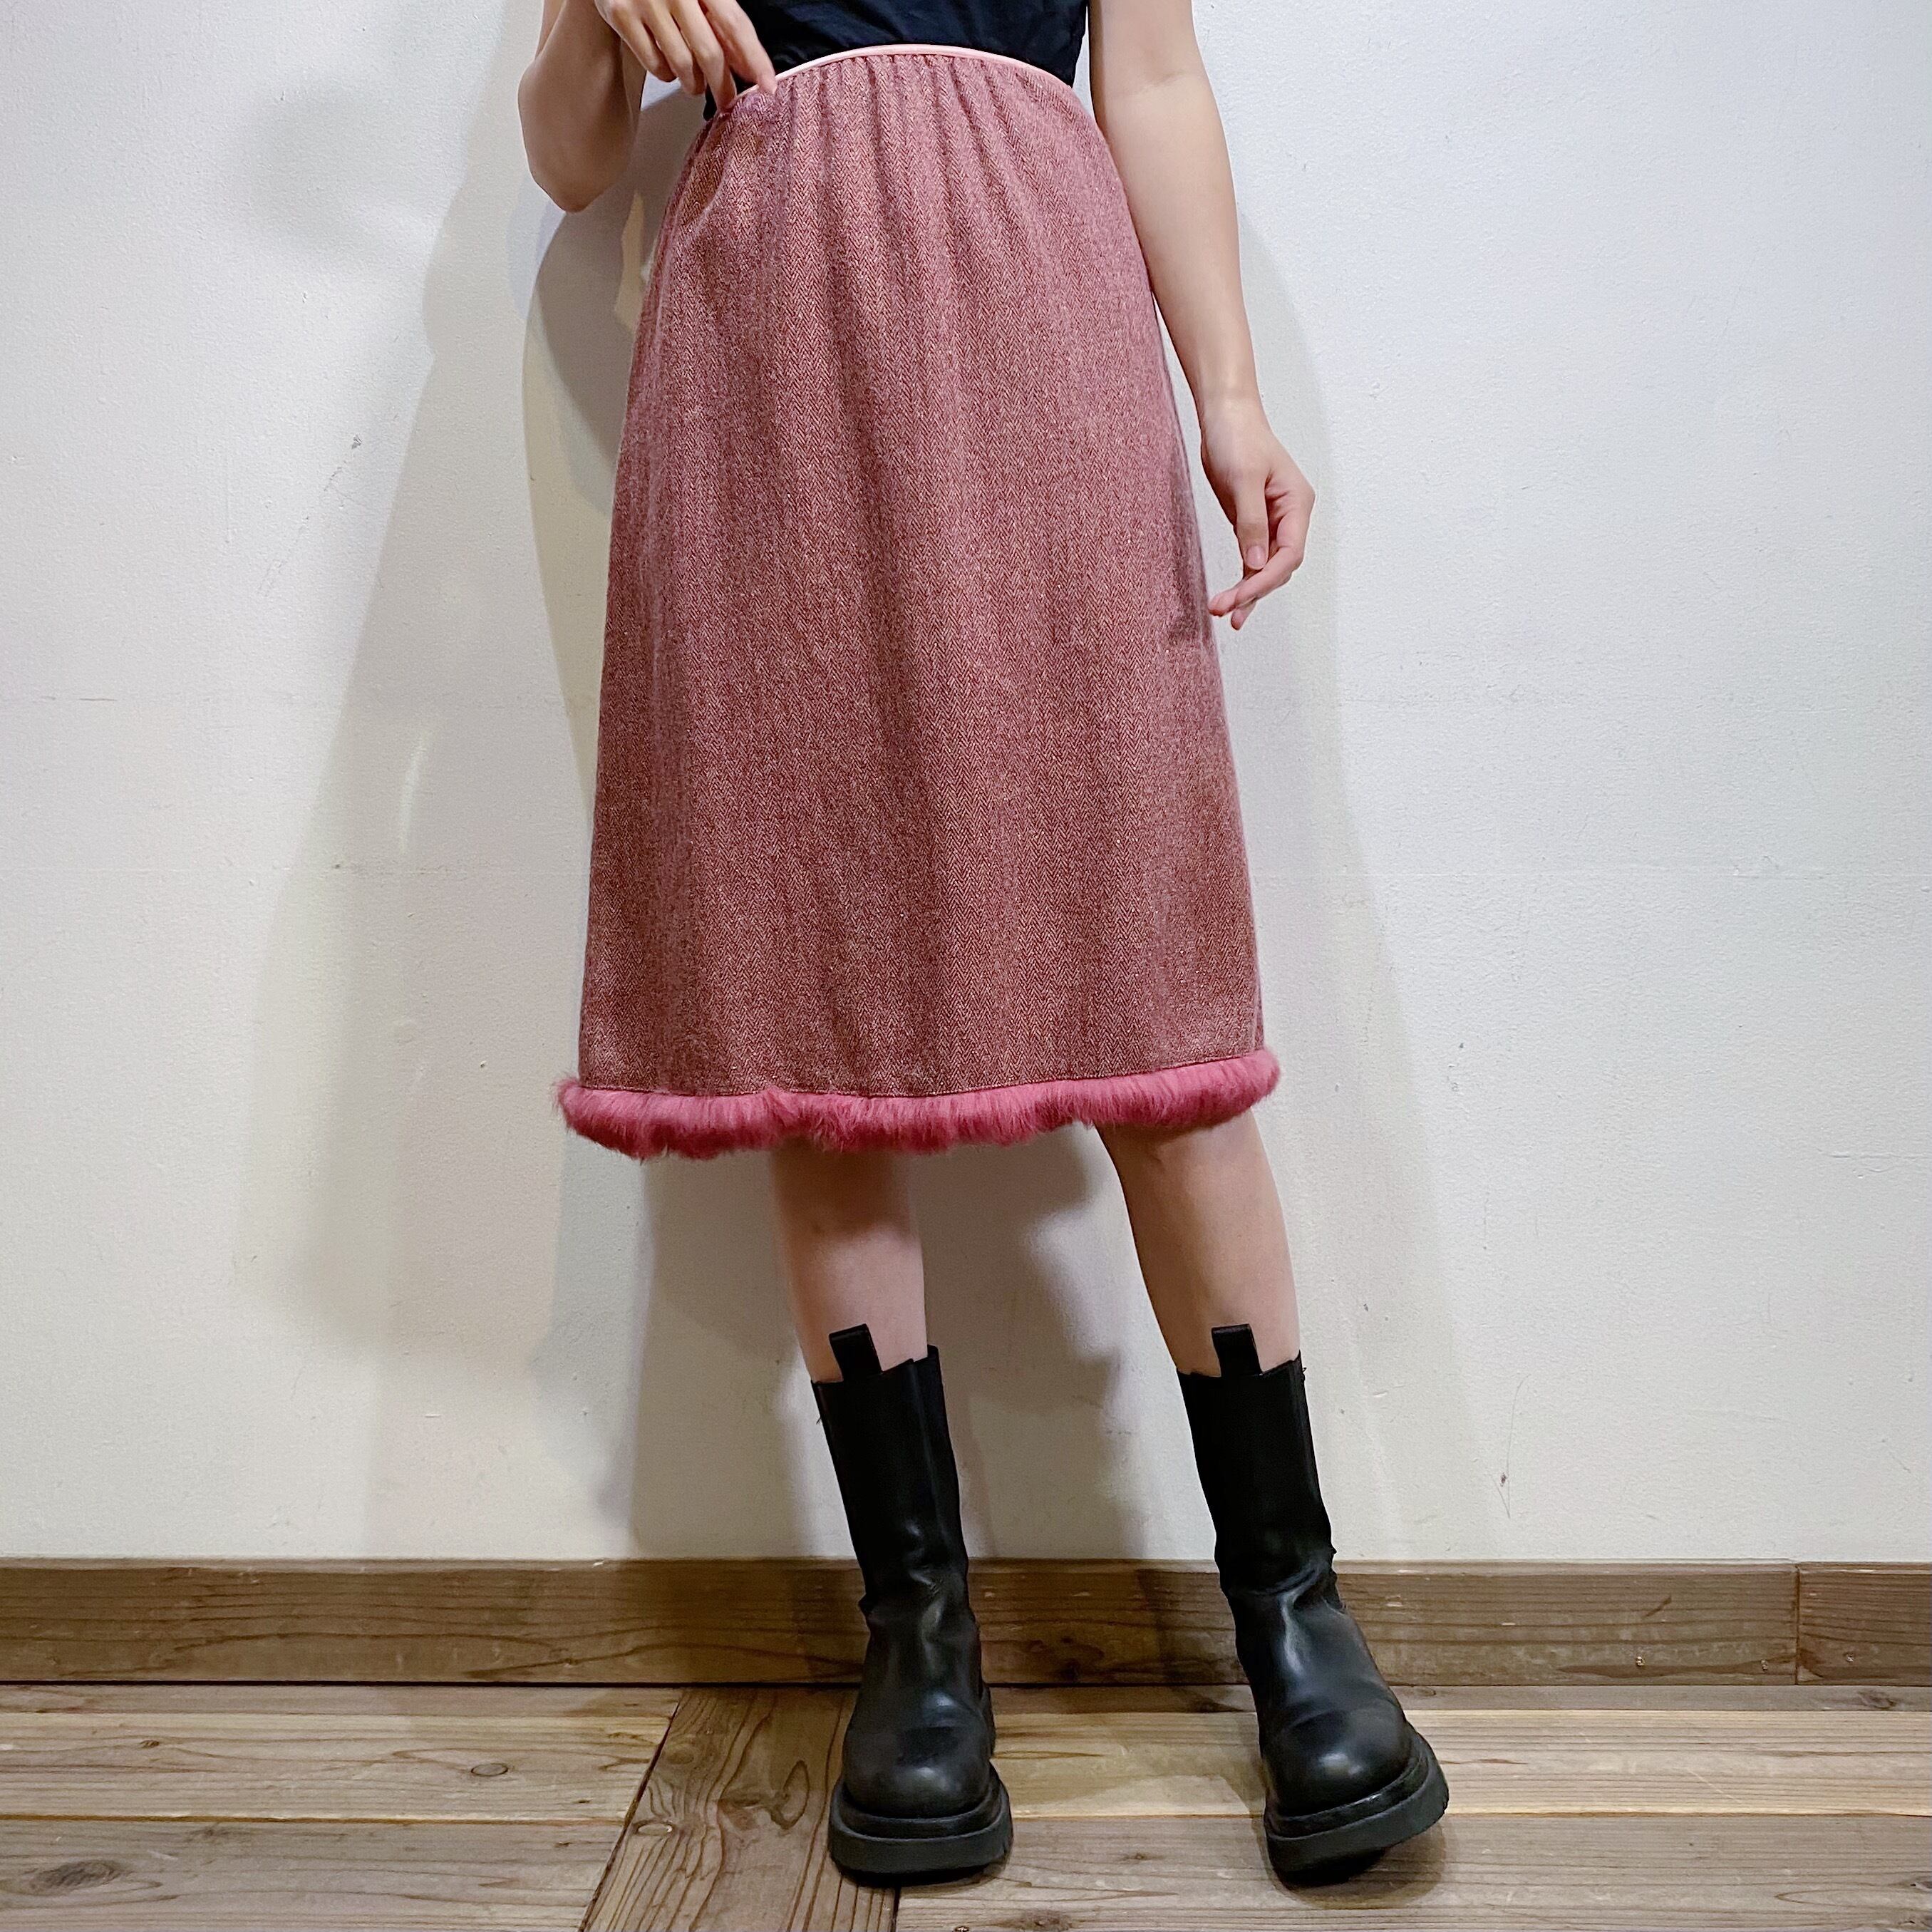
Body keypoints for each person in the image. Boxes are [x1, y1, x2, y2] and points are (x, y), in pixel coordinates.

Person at [519, 0, 1447, 1886]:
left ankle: (1295, 1614)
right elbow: (569, 158)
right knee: (819, 1002)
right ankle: (919, 1640)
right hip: (768, 380)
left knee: (1151, 988)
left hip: (1049, 337)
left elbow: (1153, 75)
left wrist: (1231, 393)